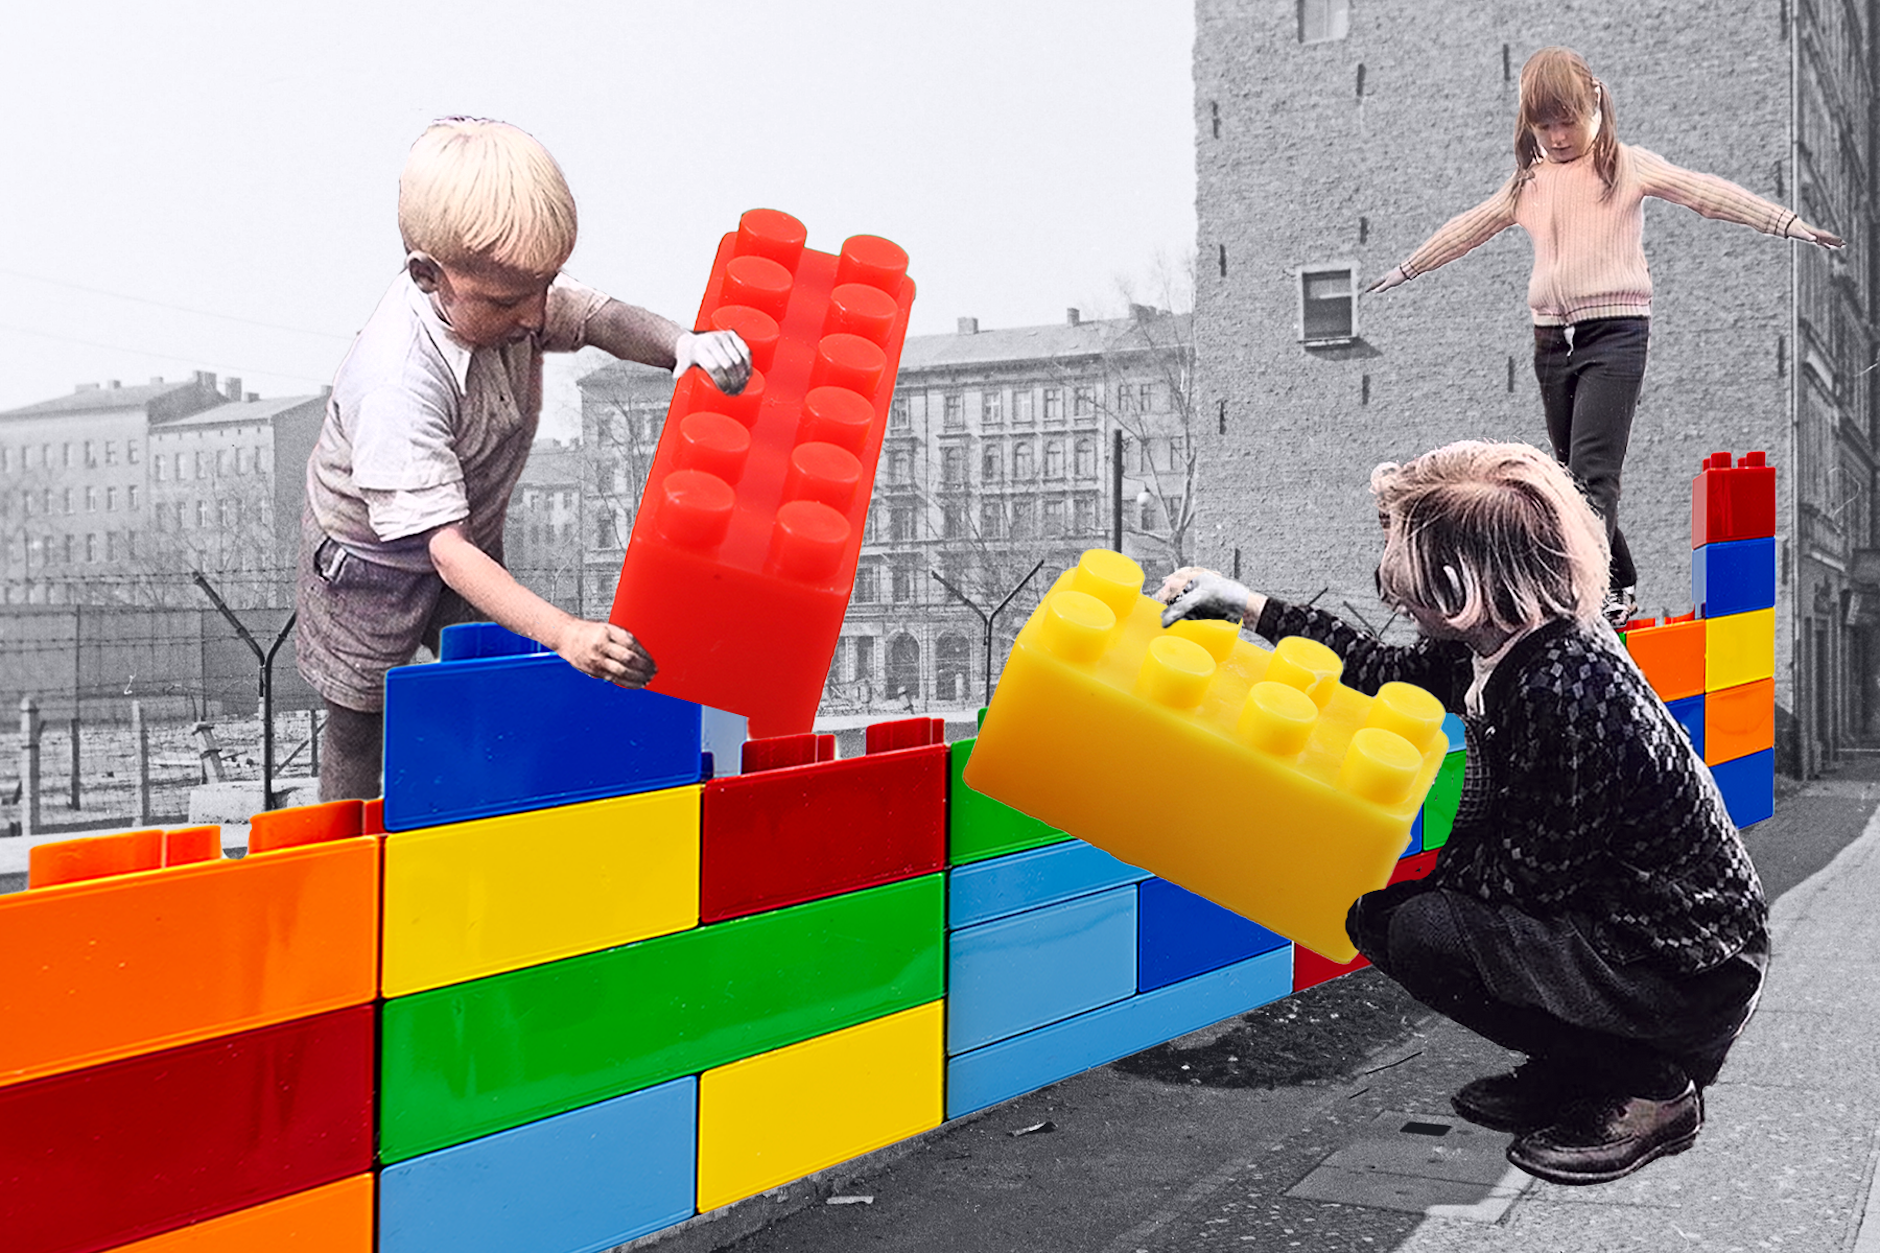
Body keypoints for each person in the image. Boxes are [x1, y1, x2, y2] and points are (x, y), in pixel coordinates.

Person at [1155, 441, 1768, 1186]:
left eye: (1403, 575)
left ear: (1460, 583)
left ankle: (1651, 1088)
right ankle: (1576, 1068)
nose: (1390, 590)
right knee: (1396, 916)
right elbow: (1380, 673)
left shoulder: (1564, 685)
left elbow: (1537, 874)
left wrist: (1407, 859)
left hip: (1685, 968)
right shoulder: (1502, 641)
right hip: (1642, 936)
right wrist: (1248, 605)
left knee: (1424, 932)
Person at [297, 117, 751, 801]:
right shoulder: (396, 380)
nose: (538, 315)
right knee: (359, 720)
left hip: (464, 538)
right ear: (428, 276)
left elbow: (598, 316)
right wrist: (568, 634)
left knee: (495, 688)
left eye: (546, 285)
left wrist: (681, 344)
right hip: (370, 565)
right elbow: (442, 551)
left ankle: (481, 827)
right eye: (513, 300)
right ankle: (341, 867)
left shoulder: (505, 293)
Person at [1367, 46, 1843, 628]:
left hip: (1615, 334)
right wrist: (1407, 269)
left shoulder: (1625, 164)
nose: (1559, 136)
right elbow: (1467, 228)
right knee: (1567, 479)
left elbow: (1708, 195)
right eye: (1545, 127)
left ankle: (1587, 601)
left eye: (1567, 121)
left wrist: (1788, 224)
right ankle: (1621, 584)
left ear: (1594, 102)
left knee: (1594, 474)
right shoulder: (1530, 184)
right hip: (1551, 343)